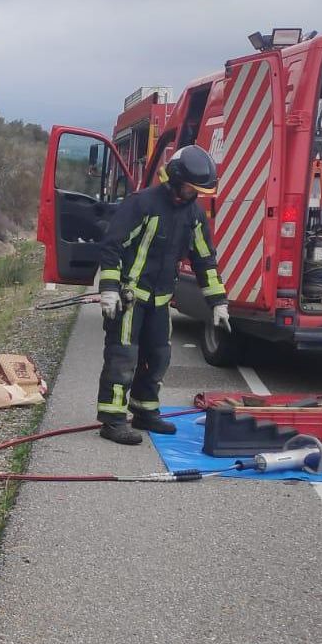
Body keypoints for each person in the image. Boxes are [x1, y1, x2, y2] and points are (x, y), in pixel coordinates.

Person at [94, 145, 231, 445]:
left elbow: (204, 259)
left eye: (198, 190)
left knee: (157, 358)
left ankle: (145, 411)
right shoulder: (142, 204)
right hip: (131, 298)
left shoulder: (193, 215)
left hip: (160, 301)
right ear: (174, 178)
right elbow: (112, 246)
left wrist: (218, 302)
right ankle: (113, 420)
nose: (193, 194)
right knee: (123, 357)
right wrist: (108, 289)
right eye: (190, 188)